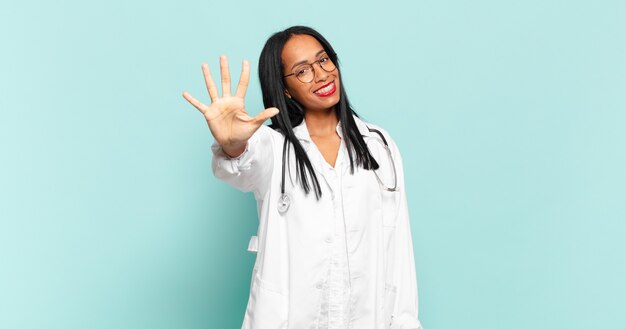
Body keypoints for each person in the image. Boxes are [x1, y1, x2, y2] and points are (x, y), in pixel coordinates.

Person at [182, 26, 424, 329]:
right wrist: (232, 143)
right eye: (303, 71)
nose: (322, 75)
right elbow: (240, 163)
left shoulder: (378, 145)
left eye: (324, 60)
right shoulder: (274, 146)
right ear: (285, 88)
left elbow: (398, 248)